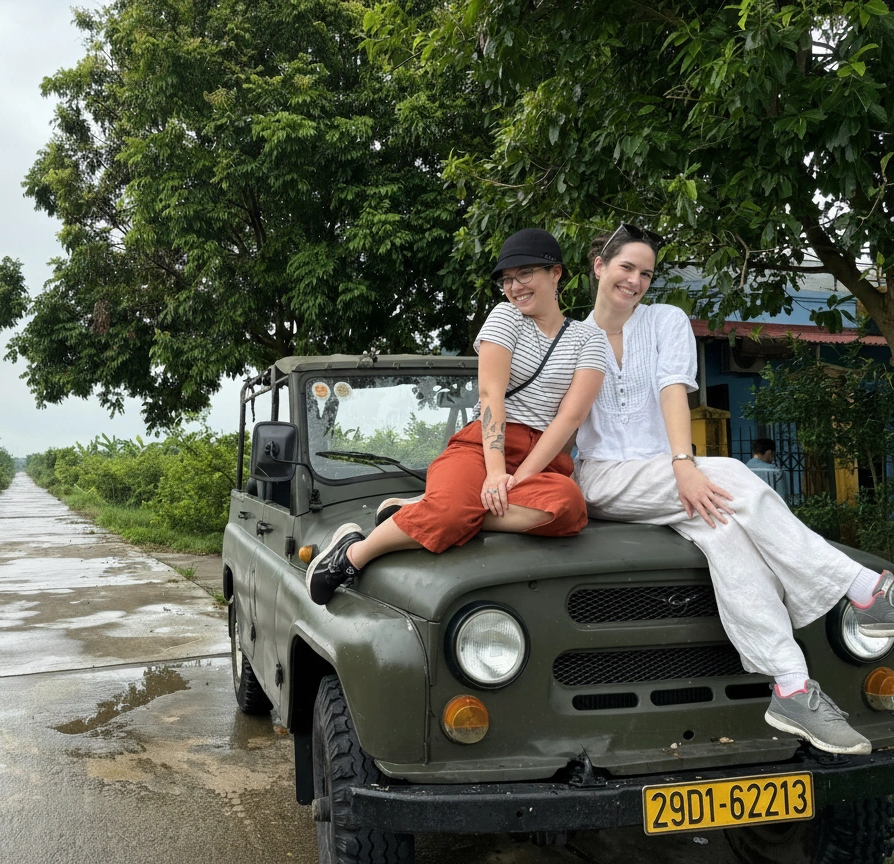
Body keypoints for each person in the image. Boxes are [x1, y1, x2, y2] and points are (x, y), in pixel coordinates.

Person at [572, 223, 894, 755]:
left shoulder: (666, 321)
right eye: (626, 267)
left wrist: (681, 463)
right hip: (607, 476)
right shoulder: (573, 339)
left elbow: (671, 390)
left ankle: (791, 685)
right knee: (731, 475)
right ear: (599, 266)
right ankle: (862, 589)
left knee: (727, 537)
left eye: (646, 273)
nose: (635, 281)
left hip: (671, 474)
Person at [306, 228, 607, 606]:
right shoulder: (505, 318)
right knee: (449, 514)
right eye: (507, 279)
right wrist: (496, 473)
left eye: (525, 274)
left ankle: (426, 508)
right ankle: (352, 554)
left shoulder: (588, 339)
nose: (515, 287)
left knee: (568, 508)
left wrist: (519, 479)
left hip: (542, 457)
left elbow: (570, 417)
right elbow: (490, 395)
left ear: (556, 273)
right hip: (483, 446)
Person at [747, 437, 791, 503]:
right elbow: (781, 500)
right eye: (773, 453)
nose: (773, 457)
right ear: (769, 452)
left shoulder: (742, 469)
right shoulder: (776, 472)